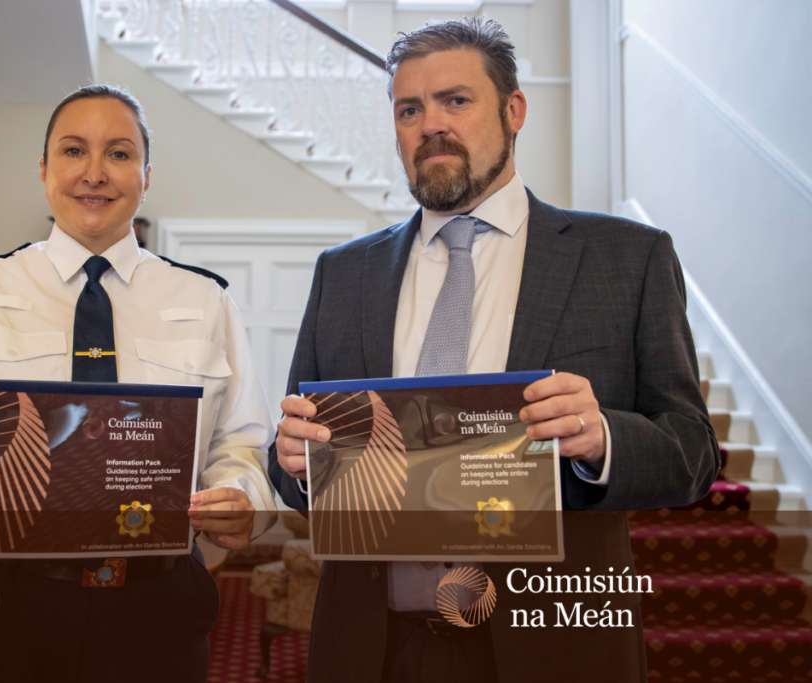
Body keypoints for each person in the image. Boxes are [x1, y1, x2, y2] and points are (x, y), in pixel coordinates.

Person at [269, 17, 719, 683]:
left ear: (513, 111)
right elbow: (293, 466)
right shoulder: (344, 274)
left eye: (456, 100)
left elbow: (693, 452)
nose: (430, 125)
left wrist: (601, 437)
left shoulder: (627, 259)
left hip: (555, 648)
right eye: (409, 109)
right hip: (373, 648)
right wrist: (295, 463)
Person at [0, 84, 277, 681]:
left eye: (120, 154)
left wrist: (246, 500)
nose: (95, 173)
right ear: (44, 169)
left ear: (146, 175)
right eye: (74, 151)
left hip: (153, 608)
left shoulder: (205, 299)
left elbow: (240, 448)